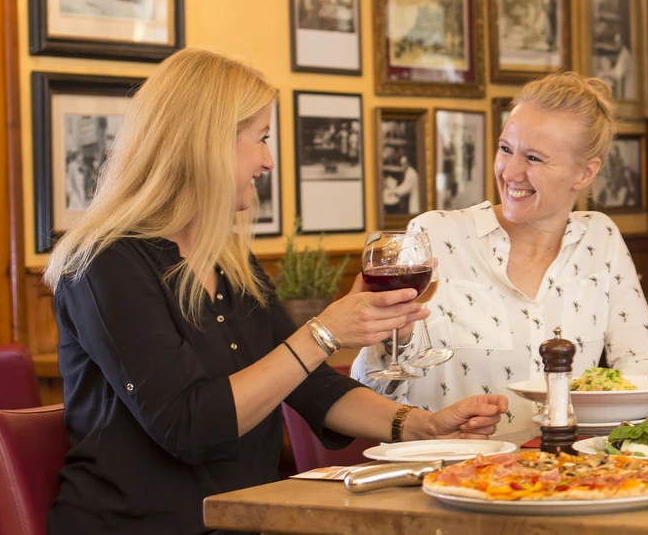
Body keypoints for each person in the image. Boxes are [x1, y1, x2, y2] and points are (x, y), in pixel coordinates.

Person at [43, 48, 507, 534]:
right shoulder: (103, 262)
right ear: (207, 143)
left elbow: (311, 385)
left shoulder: (227, 261)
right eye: (261, 139)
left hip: (244, 519)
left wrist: (423, 427)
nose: (267, 161)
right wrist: (323, 334)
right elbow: (187, 426)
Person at [353, 72, 648, 433]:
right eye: (506, 149)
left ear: (584, 173)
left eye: (534, 158)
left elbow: (646, 372)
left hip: (570, 474)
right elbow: (369, 388)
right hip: (449, 472)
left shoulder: (600, 237)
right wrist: (396, 340)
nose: (511, 171)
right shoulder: (434, 235)